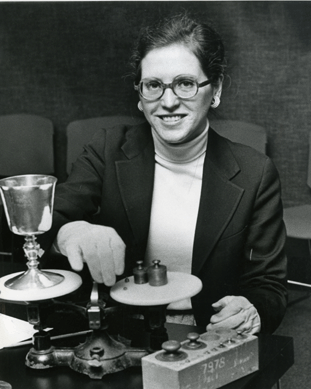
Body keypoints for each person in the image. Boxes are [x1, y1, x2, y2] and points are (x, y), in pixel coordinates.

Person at [41, 13, 287, 334]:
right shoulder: (107, 148)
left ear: (215, 90)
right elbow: (41, 222)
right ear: (140, 98)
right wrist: (68, 233)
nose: (168, 101)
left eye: (185, 84)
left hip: (208, 336)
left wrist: (252, 310)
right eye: (154, 86)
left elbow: (269, 284)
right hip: (120, 332)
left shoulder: (255, 172)